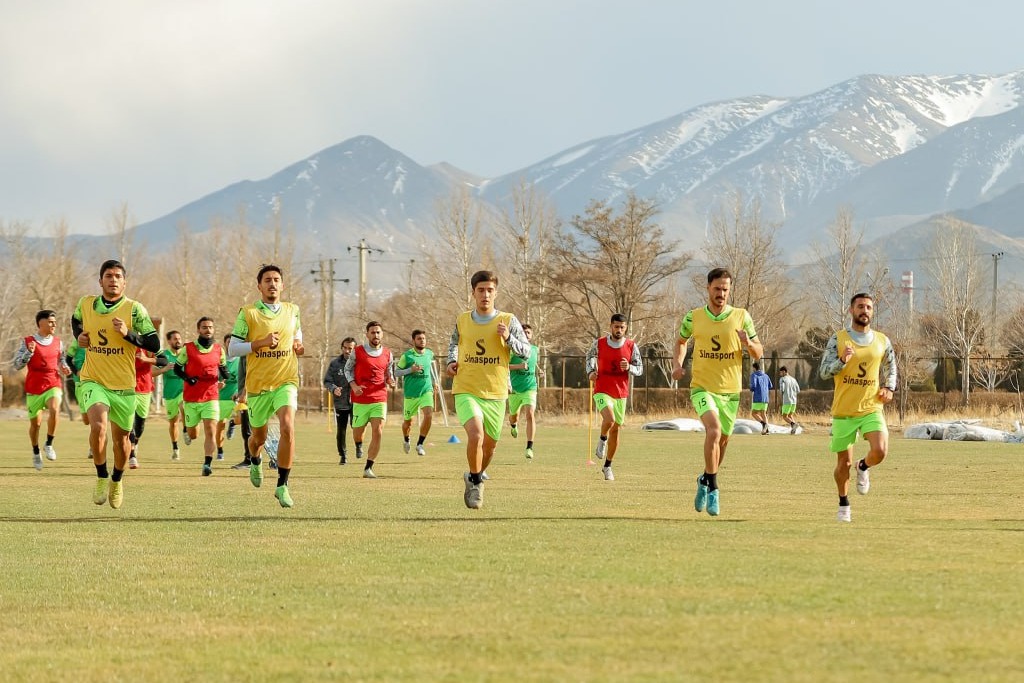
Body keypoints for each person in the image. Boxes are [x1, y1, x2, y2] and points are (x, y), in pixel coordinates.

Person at [672, 268, 764, 517]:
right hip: (702, 387)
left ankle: (704, 478)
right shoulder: (694, 317)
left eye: (725, 289)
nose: (721, 293)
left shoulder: (742, 316)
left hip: (731, 391)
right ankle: (713, 487)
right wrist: (677, 364)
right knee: (712, 431)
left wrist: (748, 343)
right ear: (708, 288)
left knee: (722, 441)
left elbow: (759, 352)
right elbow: (681, 341)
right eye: (717, 289)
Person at [72, 259, 163, 509]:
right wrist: (78, 336)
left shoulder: (135, 310)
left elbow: (154, 345)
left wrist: (129, 335)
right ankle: (101, 477)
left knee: (122, 441)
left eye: (118, 276)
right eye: (108, 276)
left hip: (123, 385)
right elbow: (76, 320)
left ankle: (116, 480)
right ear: (100, 280)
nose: (113, 280)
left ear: (125, 282)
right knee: (98, 425)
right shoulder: (86, 303)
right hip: (93, 379)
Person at [446, 270, 531, 509]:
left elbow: (526, 351)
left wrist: (508, 339)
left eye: (490, 290)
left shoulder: (508, 319)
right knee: (476, 435)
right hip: (466, 388)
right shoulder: (463, 320)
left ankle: (474, 475)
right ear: (473, 292)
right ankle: (476, 483)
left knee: (490, 446)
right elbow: (454, 344)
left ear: (496, 292)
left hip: (495, 392)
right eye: (481, 290)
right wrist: (451, 362)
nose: (485, 294)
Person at [228, 264, 304, 508]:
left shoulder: (293, 310)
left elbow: (297, 336)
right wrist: (258, 343)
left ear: (282, 284)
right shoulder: (248, 313)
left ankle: (283, 485)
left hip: (286, 380)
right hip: (259, 386)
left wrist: (299, 346)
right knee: (257, 438)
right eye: (267, 280)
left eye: (276, 280)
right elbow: (232, 349)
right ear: (259, 285)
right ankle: (255, 459)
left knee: (287, 427)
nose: (272, 284)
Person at [818, 293, 897, 523]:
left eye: (869, 307)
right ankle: (843, 503)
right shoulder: (838, 339)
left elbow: (892, 367)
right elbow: (823, 372)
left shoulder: (883, 340)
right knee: (843, 464)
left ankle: (864, 466)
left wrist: (889, 388)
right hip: (844, 411)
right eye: (860, 306)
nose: (865, 310)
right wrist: (841, 361)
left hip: (871, 407)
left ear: (872, 312)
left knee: (880, 450)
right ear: (851, 310)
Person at [585, 314, 643, 481]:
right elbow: (589, 357)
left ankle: (608, 466)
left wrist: (629, 367)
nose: (619, 330)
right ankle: (602, 439)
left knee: (616, 430)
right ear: (611, 326)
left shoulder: (632, 346)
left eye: (622, 327)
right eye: (616, 327)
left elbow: (640, 369)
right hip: (602, 388)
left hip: (621, 393)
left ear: (626, 328)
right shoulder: (599, 343)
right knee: (609, 420)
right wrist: (590, 372)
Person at [13, 310, 71, 470]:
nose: (54, 324)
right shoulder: (27, 341)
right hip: (34, 386)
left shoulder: (58, 342)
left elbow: (62, 359)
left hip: (53, 381)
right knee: (36, 425)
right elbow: (17, 364)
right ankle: (36, 451)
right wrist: (28, 352)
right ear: (41, 323)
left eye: (55, 321)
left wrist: (65, 367)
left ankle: (49, 443)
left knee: (54, 408)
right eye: (51, 322)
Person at [176, 317, 229, 477]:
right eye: (204, 327)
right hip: (192, 398)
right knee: (194, 434)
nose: (208, 330)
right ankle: (186, 426)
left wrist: (224, 376)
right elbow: (177, 368)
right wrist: (188, 378)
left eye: (210, 327)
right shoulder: (188, 349)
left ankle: (207, 463)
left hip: (211, 396)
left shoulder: (219, 350)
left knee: (211, 430)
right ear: (198, 330)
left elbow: (223, 368)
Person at [345, 321, 395, 478]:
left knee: (378, 431)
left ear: (382, 334)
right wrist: (353, 386)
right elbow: (347, 369)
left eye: (378, 332)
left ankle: (368, 467)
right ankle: (358, 444)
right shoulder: (358, 352)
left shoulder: (388, 353)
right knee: (358, 432)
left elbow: (389, 373)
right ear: (367, 334)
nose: (376, 335)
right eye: (372, 332)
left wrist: (392, 381)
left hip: (379, 397)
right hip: (360, 399)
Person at [396, 329, 434, 457]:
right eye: (419, 338)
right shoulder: (407, 356)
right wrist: (410, 370)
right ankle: (406, 439)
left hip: (426, 391)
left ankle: (420, 444)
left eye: (423, 338)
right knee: (408, 422)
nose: (422, 340)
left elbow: (429, 370)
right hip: (411, 394)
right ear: (413, 341)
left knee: (428, 415)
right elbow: (396, 373)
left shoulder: (430, 354)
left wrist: (433, 382)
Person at [152, 330, 186, 460]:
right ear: (169, 341)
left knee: (183, 406)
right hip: (169, 393)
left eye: (179, 338)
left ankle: (186, 429)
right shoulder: (164, 356)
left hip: (183, 390)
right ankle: (175, 447)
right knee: (173, 423)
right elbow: (151, 372)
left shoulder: (185, 354)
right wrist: (163, 369)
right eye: (175, 339)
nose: (178, 341)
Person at [508, 323, 539, 460]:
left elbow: (533, 362)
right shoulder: (511, 350)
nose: (526, 334)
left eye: (528, 332)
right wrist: (519, 366)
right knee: (513, 416)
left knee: (530, 414)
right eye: (523, 332)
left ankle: (529, 447)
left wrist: (539, 370)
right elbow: (503, 366)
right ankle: (513, 425)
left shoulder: (535, 349)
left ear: (531, 336)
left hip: (530, 388)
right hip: (514, 389)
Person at [323, 337, 355, 464]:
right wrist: (334, 388)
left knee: (357, 427)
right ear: (342, 348)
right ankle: (343, 455)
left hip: (357, 401)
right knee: (341, 430)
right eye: (345, 348)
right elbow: (327, 381)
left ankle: (359, 447)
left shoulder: (359, 363)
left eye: (350, 349)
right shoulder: (335, 364)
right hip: (341, 402)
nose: (347, 351)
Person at [127, 348, 157, 469]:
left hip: (145, 389)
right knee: (129, 424)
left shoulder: (149, 344)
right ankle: (132, 455)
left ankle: (135, 442)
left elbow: (162, 361)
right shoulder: (124, 344)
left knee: (140, 426)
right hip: (128, 388)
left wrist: (147, 359)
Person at [215, 333, 241, 462]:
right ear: (225, 344)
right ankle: (220, 451)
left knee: (243, 417)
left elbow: (245, 379)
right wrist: (217, 385)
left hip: (236, 398)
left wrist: (240, 392)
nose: (230, 344)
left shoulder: (241, 360)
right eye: (228, 342)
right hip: (222, 398)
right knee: (220, 426)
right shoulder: (219, 360)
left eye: (233, 342)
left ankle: (233, 423)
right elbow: (211, 378)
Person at [65, 338, 92, 457]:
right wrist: (76, 371)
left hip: (95, 382)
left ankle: (93, 447)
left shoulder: (99, 339)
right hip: (80, 383)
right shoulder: (77, 341)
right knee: (87, 420)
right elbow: (68, 359)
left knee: (96, 417)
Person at [749, 361, 773, 435]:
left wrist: (751, 389)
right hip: (765, 398)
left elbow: (754, 385)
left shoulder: (754, 375)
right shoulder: (766, 375)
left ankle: (764, 424)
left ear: (754, 368)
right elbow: (770, 386)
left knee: (754, 413)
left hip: (758, 397)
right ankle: (767, 430)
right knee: (763, 413)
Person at [777, 366, 801, 434]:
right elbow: (798, 390)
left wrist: (782, 394)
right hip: (794, 400)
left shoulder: (783, 379)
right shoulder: (793, 379)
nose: (780, 374)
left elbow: (782, 389)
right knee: (790, 415)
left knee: (784, 416)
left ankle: (794, 425)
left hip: (787, 400)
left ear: (784, 371)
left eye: (781, 372)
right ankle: (794, 430)